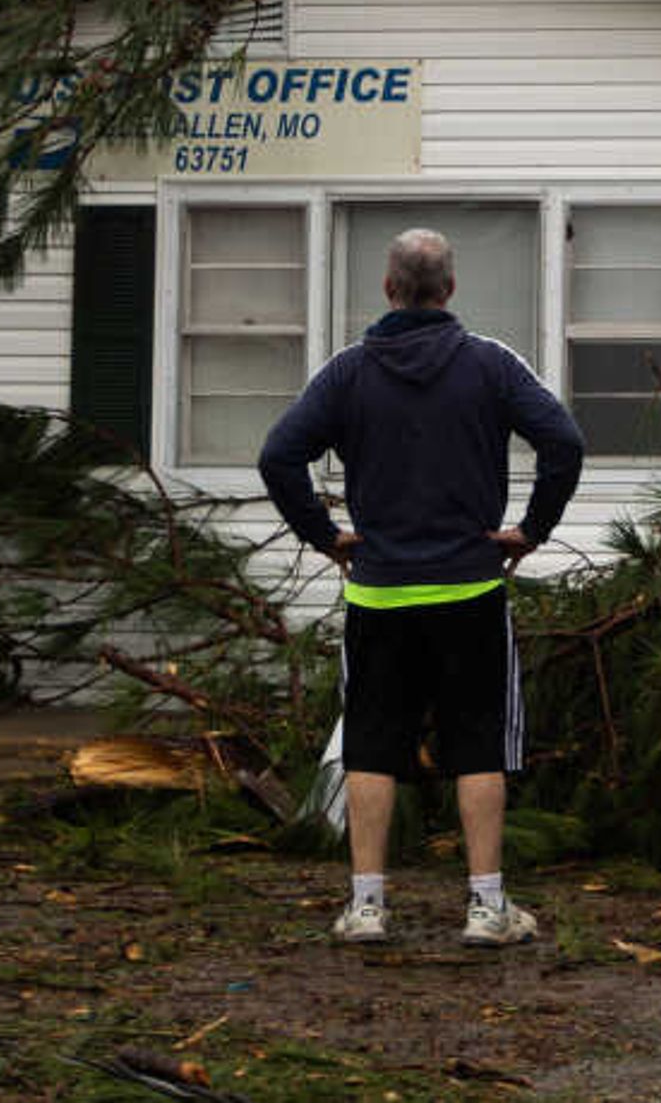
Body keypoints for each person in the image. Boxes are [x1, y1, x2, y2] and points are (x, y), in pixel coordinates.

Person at [259, 226, 585, 948]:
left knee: (373, 745)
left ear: (387, 288)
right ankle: (487, 907)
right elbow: (563, 441)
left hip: (379, 593)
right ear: (450, 288)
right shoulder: (491, 365)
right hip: (470, 591)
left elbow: (279, 455)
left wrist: (326, 535)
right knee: (478, 745)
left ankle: (368, 906)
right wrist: (530, 529)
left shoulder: (348, 373)